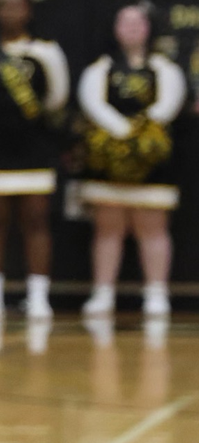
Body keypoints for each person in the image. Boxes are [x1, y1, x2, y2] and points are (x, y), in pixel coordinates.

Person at [0, 0, 67, 320]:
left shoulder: (46, 51)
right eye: (4, 8)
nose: (10, 14)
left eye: (17, 8)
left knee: (36, 221)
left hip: (34, 146)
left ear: (28, 12)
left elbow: (57, 97)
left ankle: (38, 297)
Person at [77, 4, 185, 319]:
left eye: (138, 23)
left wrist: (140, 132)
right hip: (107, 156)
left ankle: (156, 293)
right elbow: (93, 102)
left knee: (152, 226)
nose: (132, 28)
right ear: (115, 28)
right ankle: (103, 292)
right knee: (108, 227)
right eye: (125, 22)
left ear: (149, 28)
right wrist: (119, 131)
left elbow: (167, 104)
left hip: (152, 157)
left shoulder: (164, 68)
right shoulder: (101, 68)